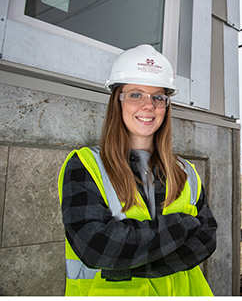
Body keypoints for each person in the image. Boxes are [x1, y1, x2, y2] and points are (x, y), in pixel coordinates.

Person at [57, 44, 217, 296]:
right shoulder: (86, 165)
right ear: (117, 101)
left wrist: (126, 263)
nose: (148, 105)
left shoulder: (187, 173)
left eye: (158, 97)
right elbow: (97, 247)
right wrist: (183, 225)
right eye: (135, 94)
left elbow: (206, 241)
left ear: (166, 105)